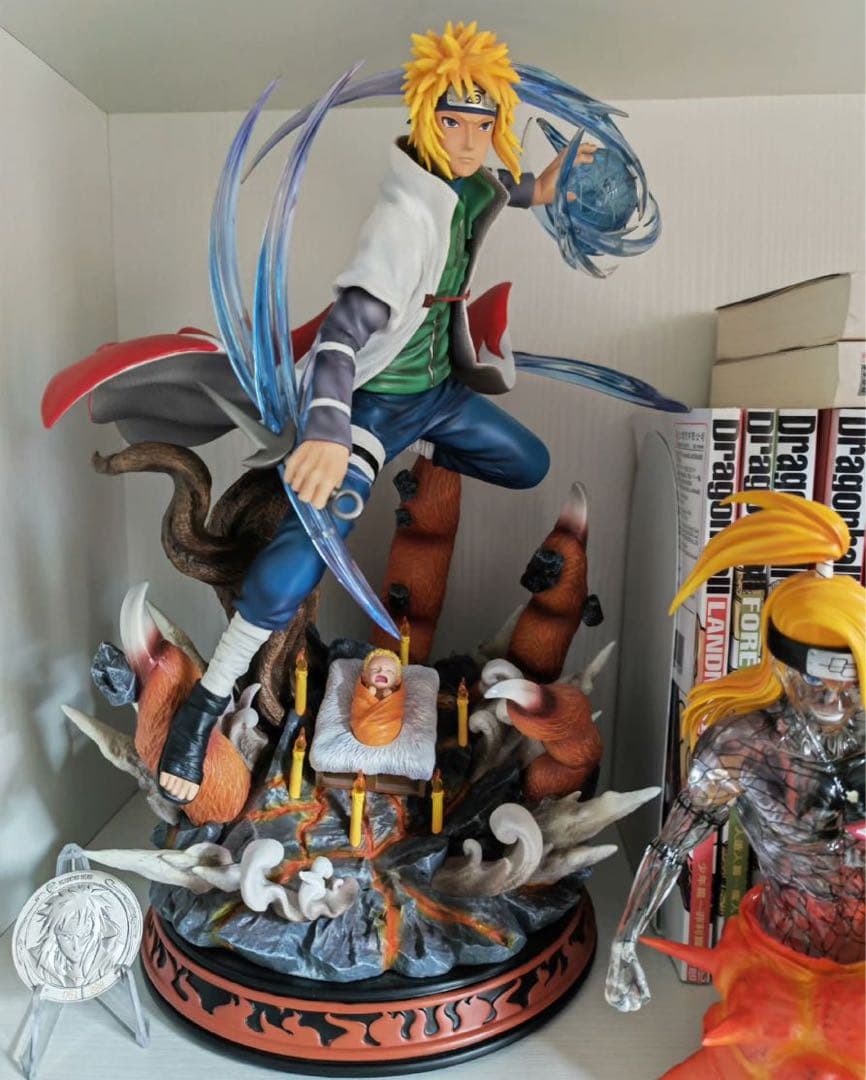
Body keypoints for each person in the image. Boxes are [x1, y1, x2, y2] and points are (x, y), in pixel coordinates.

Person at [158, 21, 598, 803]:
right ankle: (202, 710)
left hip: (439, 397)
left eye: (484, 123)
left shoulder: (468, 184)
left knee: (526, 461)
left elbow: (497, 190)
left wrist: (542, 187)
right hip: (371, 405)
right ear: (426, 118)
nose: (470, 140)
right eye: (454, 122)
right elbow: (339, 335)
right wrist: (330, 431)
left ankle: (407, 462)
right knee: (300, 559)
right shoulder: (402, 220)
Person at [605, 491, 864, 1074]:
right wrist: (624, 940)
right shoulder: (743, 745)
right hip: (781, 960)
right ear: (780, 664)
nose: (833, 700)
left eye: (849, 684)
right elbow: (670, 846)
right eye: (815, 681)